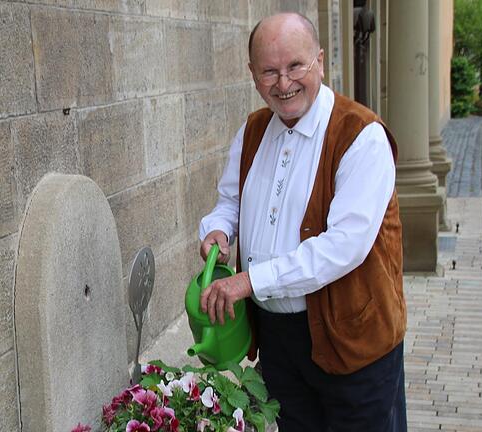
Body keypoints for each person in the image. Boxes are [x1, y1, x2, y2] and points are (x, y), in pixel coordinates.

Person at [197, 12, 407, 432]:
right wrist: (218, 229)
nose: (283, 82)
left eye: (295, 66)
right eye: (269, 71)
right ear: (253, 75)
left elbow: (343, 247)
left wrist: (249, 281)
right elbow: (228, 203)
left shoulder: (360, 134)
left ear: (320, 62)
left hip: (353, 340)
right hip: (278, 340)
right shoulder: (253, 130)